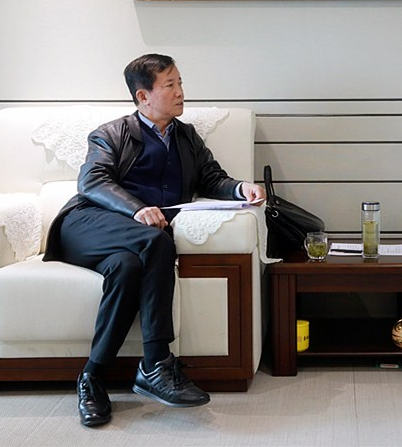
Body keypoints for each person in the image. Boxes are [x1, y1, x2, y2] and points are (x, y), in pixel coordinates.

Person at [43, 53, 266, 427]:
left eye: (180, 83)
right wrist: (137, 209)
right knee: (158, 240)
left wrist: (240, 188)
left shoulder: (186, 136)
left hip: (132, 244)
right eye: (170, 85)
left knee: (127, 268)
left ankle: (92, 378)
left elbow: (211, 178)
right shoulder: (111, 134)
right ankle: (156, 363)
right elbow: (92, 181)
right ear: (143, 96)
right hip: (87, 224)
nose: (180, 92)